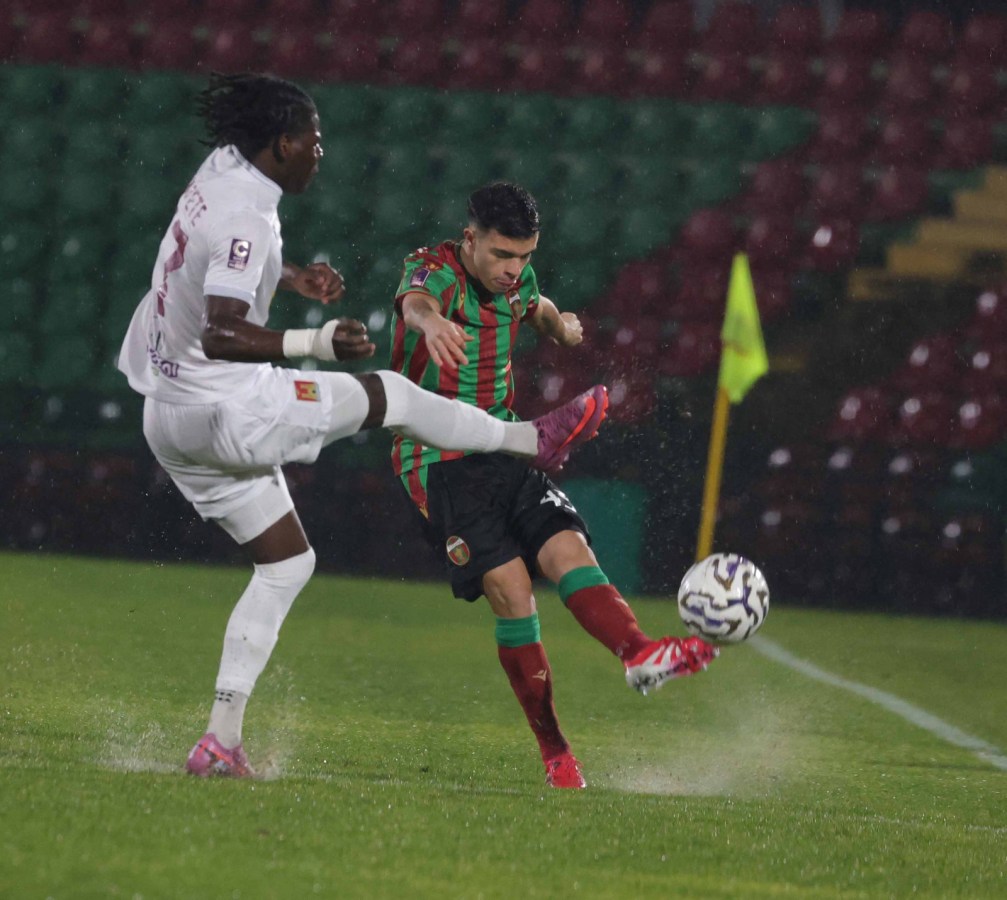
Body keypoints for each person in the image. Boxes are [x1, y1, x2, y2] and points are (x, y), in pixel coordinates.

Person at [116, 74, 607, 779]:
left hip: (165, 414)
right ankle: (532, 439)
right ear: (281, 144)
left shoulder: (219, 172)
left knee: (287, 562)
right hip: (225, 407)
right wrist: (313, 342)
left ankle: (219, 742)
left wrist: (288, 278)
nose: (321, 149)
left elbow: (210, 264)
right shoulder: (247, 218)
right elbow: (224, 333)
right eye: (313, 138)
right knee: (391, 394)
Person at [391, 182, 719, 790]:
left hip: (506, 441)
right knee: (513, 591)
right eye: (501, 256)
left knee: (569, 548)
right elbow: (415, 302)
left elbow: (535, 307)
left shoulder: (520, 283)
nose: (513, 271)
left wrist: (561, 327)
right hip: (436, 454)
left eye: (525, 257)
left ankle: (639, 654)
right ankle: (556, 752)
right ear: (470, 240)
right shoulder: (433, 271)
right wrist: (432, 324)